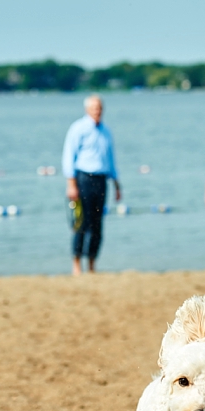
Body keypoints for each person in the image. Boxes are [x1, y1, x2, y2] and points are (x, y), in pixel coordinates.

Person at [62, 94, 121, 276]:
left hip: (101, 179)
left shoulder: (106, 131)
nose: (98, 111)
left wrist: (117, 184)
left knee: (97, 224)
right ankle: (76, 263)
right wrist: (71, 184)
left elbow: (110, 159)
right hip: (83, 178)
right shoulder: (78, 128)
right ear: (87, 109)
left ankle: (92, 263)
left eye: (100, 108)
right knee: (82, 222)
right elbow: (68, 156)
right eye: (94, 108)